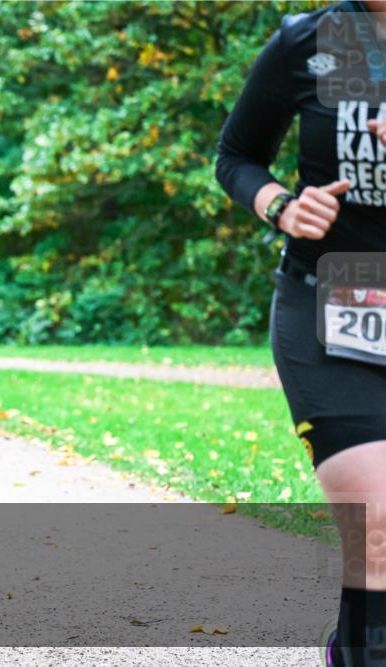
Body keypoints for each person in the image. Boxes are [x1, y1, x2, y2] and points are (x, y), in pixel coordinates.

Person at [216, 3, 385, 665]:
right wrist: (283, 206)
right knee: (374, 514)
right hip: (330, 305)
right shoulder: (308, 38)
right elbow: (236, 157)